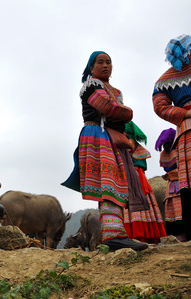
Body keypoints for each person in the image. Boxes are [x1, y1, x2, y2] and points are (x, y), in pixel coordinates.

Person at [62, 51, 148, 251]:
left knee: (114, 183)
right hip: (97, 135)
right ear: (91, 68)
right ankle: (113, 236)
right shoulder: (92, 85)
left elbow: (116, 111)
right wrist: (126, 112)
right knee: (110, 182)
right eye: (100, 62)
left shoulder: (112, 89)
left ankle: (113, 234)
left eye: (109, 62)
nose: (105, 65)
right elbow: (109, 108)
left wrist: (121, 113)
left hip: (108, 136)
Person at [152, 34, 191, 241]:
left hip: (184, 132)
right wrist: (185, 113)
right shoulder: (165, 80)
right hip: (185, 131)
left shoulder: (164, 80)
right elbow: (159, 105)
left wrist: (181, 114)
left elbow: (159, 105)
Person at [122, 121, 167, 243]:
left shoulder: (128, 144)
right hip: (137, 178)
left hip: (134, 178)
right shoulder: (137, 148)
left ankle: (138, 234)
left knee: (134, 203)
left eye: (124, 135)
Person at [155, 128, 186, 240]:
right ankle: (178, 234)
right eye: (165, 145)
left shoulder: (171, 152)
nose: (166, 147)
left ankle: (182, 233)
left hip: (177, 182)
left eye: (167, 144)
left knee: (179, 207)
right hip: (175, 182)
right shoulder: (175, 151)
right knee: (175, 208)